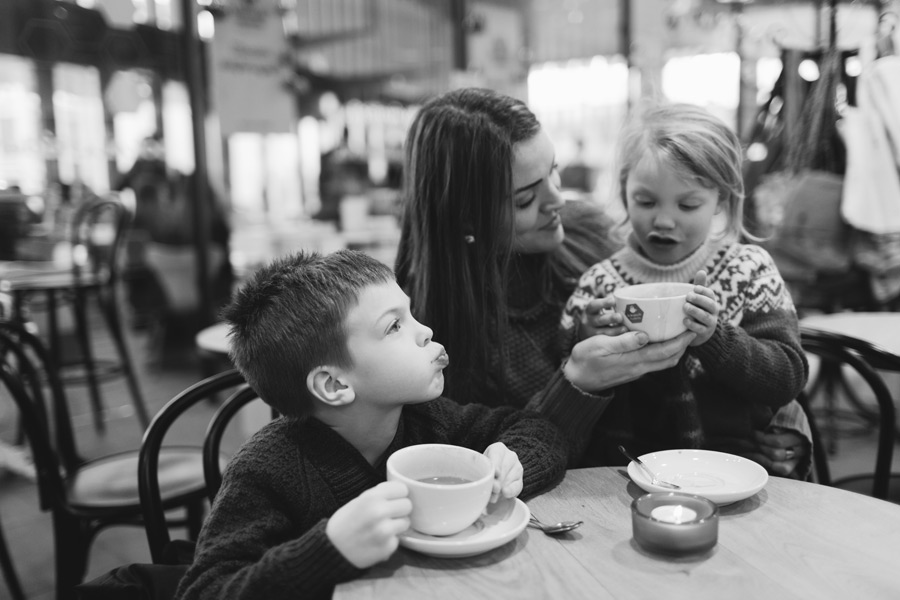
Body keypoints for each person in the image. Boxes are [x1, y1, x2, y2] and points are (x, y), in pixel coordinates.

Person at [394, 87, 809, 477]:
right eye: (525, 198)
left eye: (553, 173)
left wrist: (787, 423)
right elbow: (487, 466)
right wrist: (577, 380)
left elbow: (774, 359)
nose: (559, 200)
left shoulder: (589, 234)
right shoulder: (425, 328)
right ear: (466, 217)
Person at [174, 250, 568, 600]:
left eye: (410, 314)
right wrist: (328, 550)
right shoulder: (267, 470)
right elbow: (204, 589)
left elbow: (536, 429)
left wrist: (512, 459)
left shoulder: (425, 421)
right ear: (334, 384)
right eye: (394, 326)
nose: (425, 331)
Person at [559, 102, 810, 472]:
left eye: (688, 204)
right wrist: (584, 336)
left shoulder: (748, 270)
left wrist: (714, 336)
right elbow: (563, 379)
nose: (663, 220)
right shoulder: (599, 284)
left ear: (720, 201)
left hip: (732, 473)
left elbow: (786, 376)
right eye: (645, 201)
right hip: (624, 474)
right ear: (624, 189)